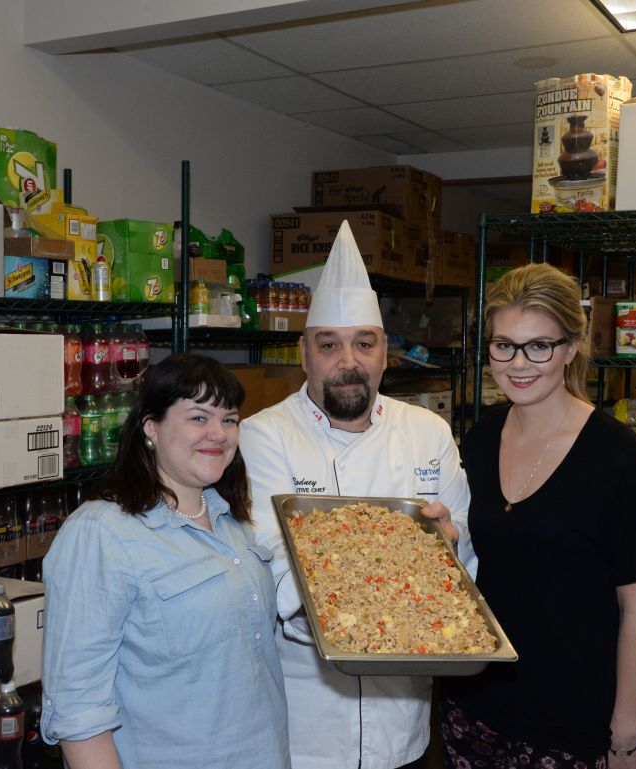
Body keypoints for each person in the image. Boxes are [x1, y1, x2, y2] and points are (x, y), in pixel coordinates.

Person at [240, 220, 473, 769]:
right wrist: (409, 555)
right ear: (304, 355)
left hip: (404, 716)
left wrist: (449, 544)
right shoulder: (264, 434)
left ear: (385, 352)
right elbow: (276, 572)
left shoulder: (428, 432)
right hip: (307, 719)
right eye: (330, 345)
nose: (349, 361)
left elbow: (464, 565)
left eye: (364, 344)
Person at [439, 263, 636, 769]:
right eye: (504, 345)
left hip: (570, 725)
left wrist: (624, 737)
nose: (519, 363)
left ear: (570, 349)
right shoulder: (481, 438)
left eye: (539, 345)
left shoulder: (616, 456)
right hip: (475, 710)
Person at [40, 353, 289, 769]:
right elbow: (78, 706)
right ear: (150, 427)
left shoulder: (234, 522)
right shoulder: (103, 533)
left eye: (229, 419)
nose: (218, 433)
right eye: (197, 418)